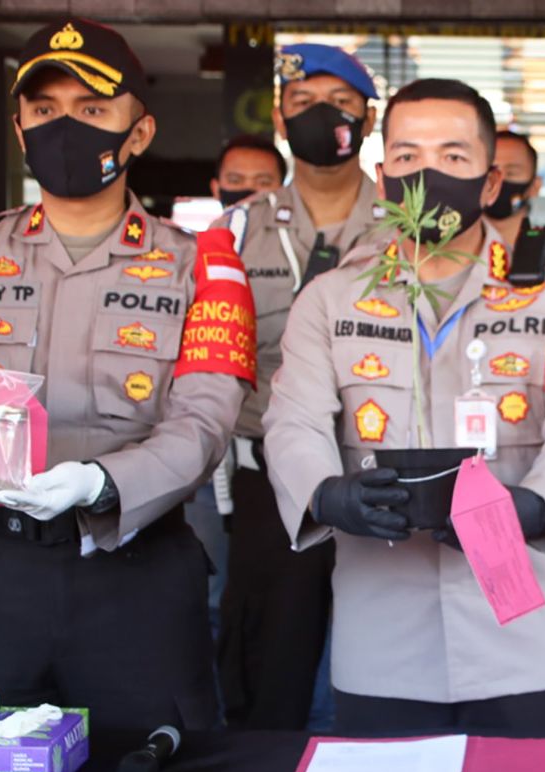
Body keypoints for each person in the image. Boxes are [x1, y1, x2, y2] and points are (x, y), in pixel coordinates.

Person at [0, 18, 255, 729]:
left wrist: (103, 483)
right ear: (21, 129)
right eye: (45, 110)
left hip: (138, 572)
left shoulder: (202, 267)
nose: (66, 127)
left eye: (92, 111)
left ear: (139, 132)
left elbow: (206, 423)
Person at [262, 78, 545, 734]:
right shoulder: (331, 298)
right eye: (406, 157)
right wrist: (325, 493)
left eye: (453, 158)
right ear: (382, 175)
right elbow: (293, 418)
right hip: (381, 636)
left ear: (490, 183)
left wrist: (539, 504)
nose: (427, 174)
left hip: (518, 637)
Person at [212, 43, 381, 731]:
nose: (322, 116)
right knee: (269, 679)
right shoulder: (236, 228)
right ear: (281, 119)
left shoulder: (415, 223)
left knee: (385, 677)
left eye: (339, 103)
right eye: (304, 102)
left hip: (383, 477)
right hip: (271, 484)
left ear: (369, 118)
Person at [185, 133, 288, 642]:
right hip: (206, 457)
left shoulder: (298, 257)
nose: (247, 192)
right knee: (208, 589)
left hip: (272, 456)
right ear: (215, 187)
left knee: (278, 602)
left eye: (263, 183)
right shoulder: (190, 256)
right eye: (235, 182)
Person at [484, 130, 543, 245]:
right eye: (491, 172)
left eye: (511, 173)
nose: (498, 181)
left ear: (535, 186)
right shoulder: (446, 252)